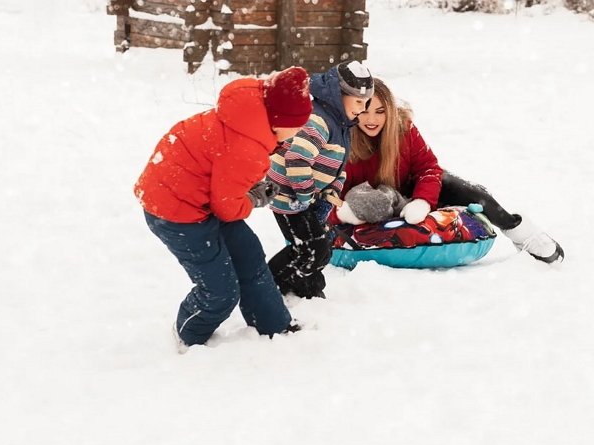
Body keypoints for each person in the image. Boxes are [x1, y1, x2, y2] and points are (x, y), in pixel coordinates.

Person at [134, 67, 313, 352]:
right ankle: (186, 337)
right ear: (280, 122)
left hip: (200, 199)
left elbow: (224, 186)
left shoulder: (250, 117)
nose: (301, 130)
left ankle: (274, 326)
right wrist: (254, 198)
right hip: (175, 213)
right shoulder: (247, 147)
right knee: (221, 290)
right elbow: (228, 208)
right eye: (299, 124)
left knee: (249, 256)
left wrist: (246, 190)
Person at [331, 77, 564, 264]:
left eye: (380, 111)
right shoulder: (340, 138)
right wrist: (343, 213)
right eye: (365, 111)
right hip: (367, 202)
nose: (372, 119)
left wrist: (422, 201)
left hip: (411, 191)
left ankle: (521, 233)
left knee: (467, 191)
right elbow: (322, 192)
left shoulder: (403, 129)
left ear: (390, 112)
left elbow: (429, 168)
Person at [266, 61, 374, 300]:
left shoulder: (341, 123)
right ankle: (268, 287)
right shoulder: (319, 120)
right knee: (312, 247)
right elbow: (296, 158)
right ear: (339, 95)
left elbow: (339, 164)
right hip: (289, 197)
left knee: (317, 245)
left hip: (307, 197)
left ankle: (307, 289)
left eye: (366, 102)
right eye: (358, 101)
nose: (362, 108)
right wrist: (306, 197)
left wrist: (331, 190)